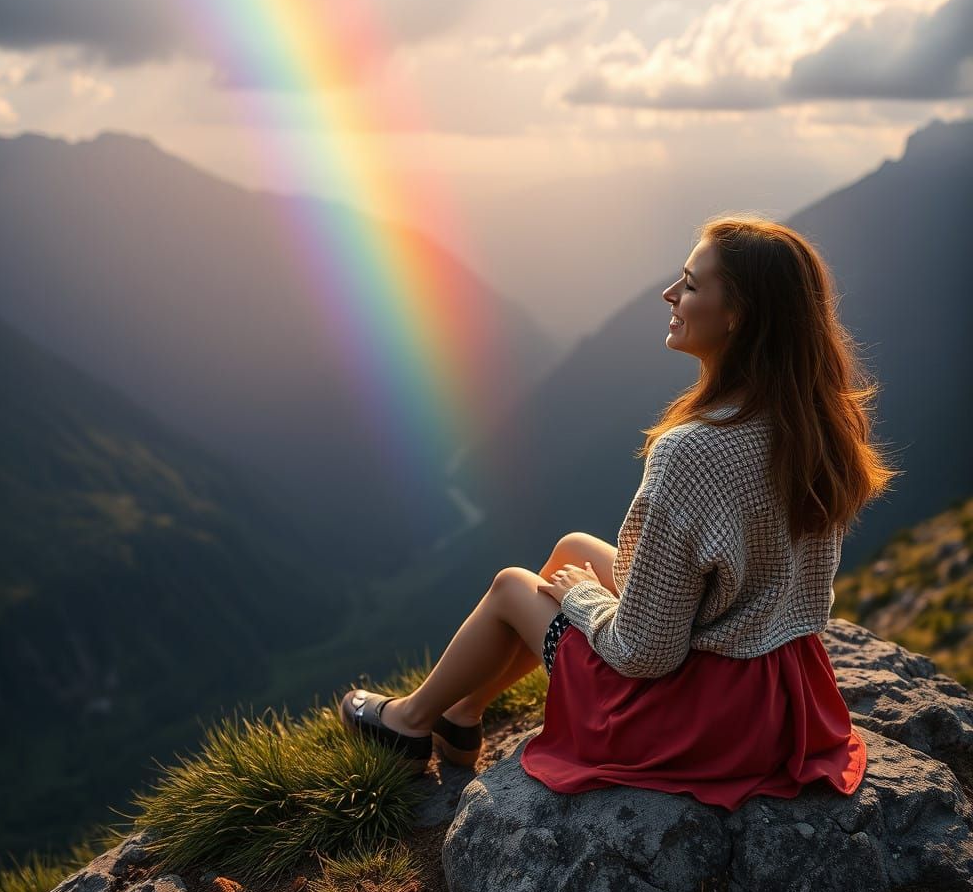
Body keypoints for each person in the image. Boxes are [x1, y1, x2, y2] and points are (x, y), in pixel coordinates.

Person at [340, 213, 900, 808]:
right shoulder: (819, 424)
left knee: (512, 587)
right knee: (576, 547)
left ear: (738, 314)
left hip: (700, 719)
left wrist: (582, 598)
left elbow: (645, 653)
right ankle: (461, 712)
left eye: (688, 284)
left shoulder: (695, 453)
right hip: (784, 696)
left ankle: (406, 722)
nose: (670, 294)